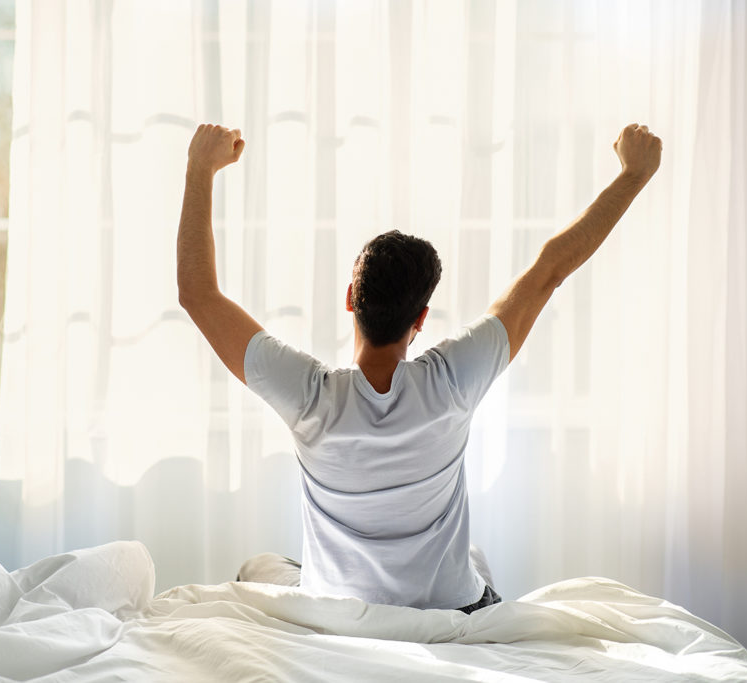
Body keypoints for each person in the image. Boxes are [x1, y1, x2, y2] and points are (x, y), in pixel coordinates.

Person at [176, 122, 661, 613]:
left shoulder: (309, 397)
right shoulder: (452, 380)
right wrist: (634, 174)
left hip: (340, 609)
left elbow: (198, 295)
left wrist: (200, 167)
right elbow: (549, 271)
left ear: (350, 300)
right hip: (451, 608)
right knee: (474, 559)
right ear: (421, 319)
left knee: (256, 567)